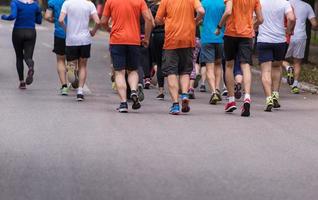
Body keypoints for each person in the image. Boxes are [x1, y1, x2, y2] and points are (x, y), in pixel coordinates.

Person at [101, 0, 152, 113]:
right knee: (133, 70)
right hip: (134, 40)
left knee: (119, 72)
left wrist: (110, 29)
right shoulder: (140, 1)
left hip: (117, 40)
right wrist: (147, 38)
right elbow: (148, 19)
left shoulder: (111, 1)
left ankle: (123, 102)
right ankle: (133, 90)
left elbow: (103, 21)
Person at [155, 0, 205, 115]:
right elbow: (201, 11)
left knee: (171, 72)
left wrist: (164, 21)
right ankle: (185, 94)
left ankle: (175, 104)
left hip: (171, 40)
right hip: (188, 39)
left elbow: (157, 20)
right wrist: (195, 21)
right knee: (185, 71)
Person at [216, 0, 263, 117]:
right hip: (246, 35)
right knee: (245, 66)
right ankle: (247, 98)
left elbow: (228, 12)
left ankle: (231, 100)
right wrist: (251, 26)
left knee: (229, 65)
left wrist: (219, 26)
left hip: (231, 33)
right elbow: (261, 19)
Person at [257, 0, 295, 112]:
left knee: (266, 71)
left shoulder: (259, 2)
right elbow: (292, 18)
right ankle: (275, 95)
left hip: (264, 40)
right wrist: (288, 30)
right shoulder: (284, 3)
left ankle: (268, 98)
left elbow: (256, 19)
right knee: (277, 67)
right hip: (279, 40)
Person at [59, 0, 100, 101]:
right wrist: (93, 31)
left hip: (71, 39)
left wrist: (66, 30)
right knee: (83, 66)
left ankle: (71, 71)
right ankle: (80, 91)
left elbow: (60, 20)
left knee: (71, 64)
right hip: (85, 40)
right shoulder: (89, 4)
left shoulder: (67, 3)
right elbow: (98, 21)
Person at [1, 0, 42, 89]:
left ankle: (22, 82)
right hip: (31, 32)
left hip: (18, 31)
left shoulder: (15, 3)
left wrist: (3, 16)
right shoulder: (36, 5)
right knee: (28, 57)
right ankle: (30, 67)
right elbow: (39, 21)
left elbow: (13, 16)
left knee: (19, 57)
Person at [285, 0, 318, 94]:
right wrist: (313, 28)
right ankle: (295, 85)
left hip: (287, 35)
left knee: (280, 59)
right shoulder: (307, 6)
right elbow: (315, 24)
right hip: (301, 36)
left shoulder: (286, 3)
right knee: (297, 62)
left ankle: (288, 68)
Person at [200, 0, 225, 105]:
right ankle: (218, 88)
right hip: (220, 38)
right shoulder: (223, 3)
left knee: (209, 67)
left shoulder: (203, 3)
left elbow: (200, 20)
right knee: (218, 65)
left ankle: (213, 92)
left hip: (206, 38)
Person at [45, 0, 69, 95]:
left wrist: (55, 21)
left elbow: (47, 16)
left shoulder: (53, 1)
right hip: (75, 35)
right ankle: (73, 71)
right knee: (76, 59)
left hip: (60, 34)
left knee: (60, 60)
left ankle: (64, 87)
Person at [149, 0, 166, 100]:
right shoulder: (169, 5)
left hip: (157, 35)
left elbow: (151, 23)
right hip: (169, 34)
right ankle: (181, 89)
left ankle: (161, 90)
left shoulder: (152, 8)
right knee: (174, 62)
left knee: (159, 63)